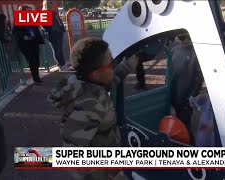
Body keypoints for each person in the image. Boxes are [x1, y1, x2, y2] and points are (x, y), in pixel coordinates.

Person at [48, 37, 138, 180]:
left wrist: (126, 66)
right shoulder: (86, 106)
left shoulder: (88, 84)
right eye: (111, 65)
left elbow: (106, 83)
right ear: (96, 74)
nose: (114, 67)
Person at [170, 33, 204, 142]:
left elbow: (199, 78)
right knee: (173, 127)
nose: (185, 40)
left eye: (188, 37)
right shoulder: (174, 51)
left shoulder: (197, 52)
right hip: (173, 95)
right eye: (181, 37)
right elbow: (169, 73)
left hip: (187, 99)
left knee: (186, 128)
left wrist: (192, 96)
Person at [13, 5, 45, 85]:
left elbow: (36, 29)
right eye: (28, 11)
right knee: (32, 60)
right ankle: (35, 79)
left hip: (34, 41)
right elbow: (15, 31)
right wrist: (24, 36)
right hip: (25, 43)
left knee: (37, 60)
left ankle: (37, 78)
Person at [41, 0, 66, 69]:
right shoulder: (44, 13)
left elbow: (59, 21)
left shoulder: (54, 12)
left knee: (60, 49)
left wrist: (62, 29)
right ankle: (60, 65)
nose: (52, 4)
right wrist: (49, 32)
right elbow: (43, 25)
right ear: (46, 4)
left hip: (59, 32)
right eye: (50, 2)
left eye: (52, 2)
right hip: (52, 33)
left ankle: (63, 64)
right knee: (56, 49)